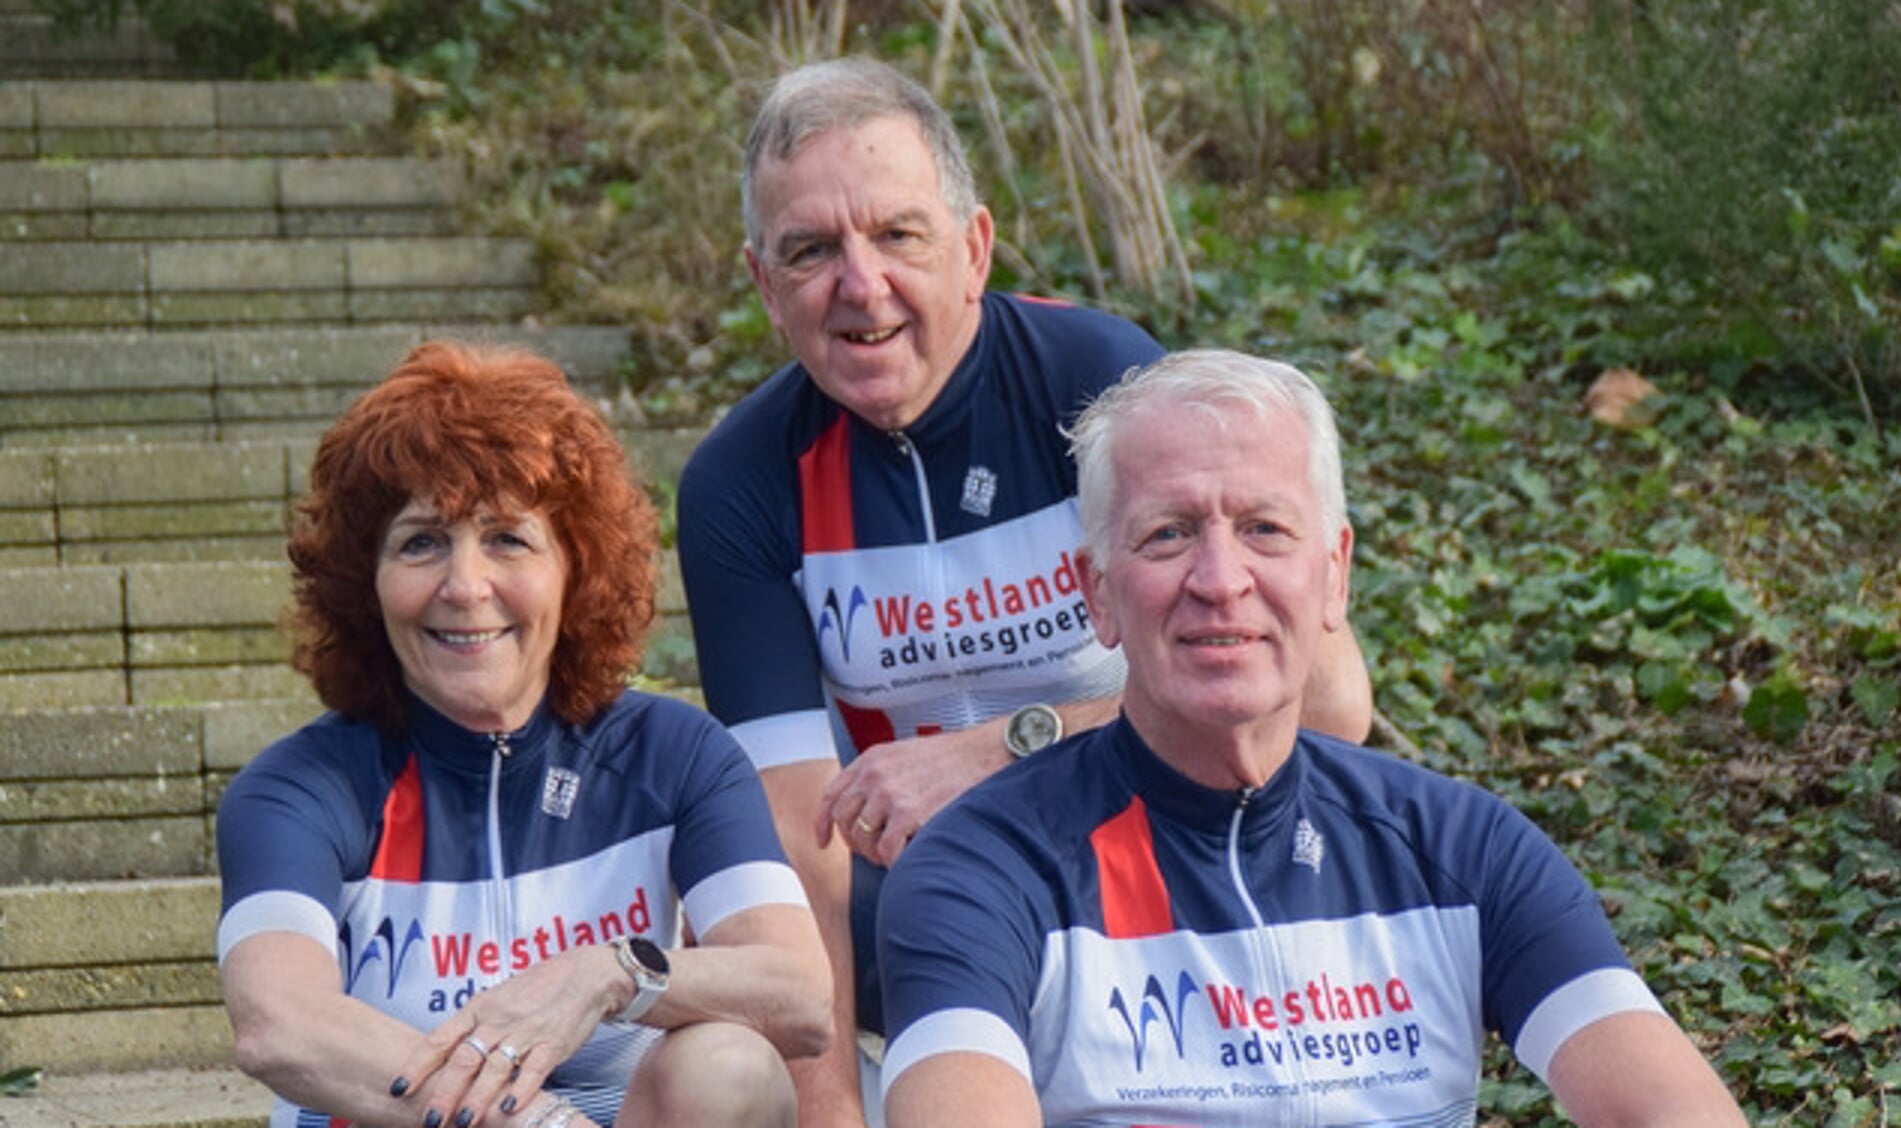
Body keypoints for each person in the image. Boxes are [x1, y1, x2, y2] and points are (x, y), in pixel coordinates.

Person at [676, 59, 1375, 1123]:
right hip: (923, 899)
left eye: (899, 235)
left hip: (1162, 847)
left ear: (974, 248)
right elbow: (793, 845)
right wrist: (829, 1119)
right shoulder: (743, 480)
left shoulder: (1097, 377)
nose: (859, 286)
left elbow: (1327, 705)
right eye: (810, 251)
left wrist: (998, 746)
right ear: (765, 284)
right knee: (722, 954)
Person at [876, 349, 1748, 1126]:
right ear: (1098, 593)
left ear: (1334, 577)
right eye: (1169, 533)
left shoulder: (1464, 850)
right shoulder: (979, 872)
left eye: (1265, 529)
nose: (1221, 581)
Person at [215, 341, 833, 1128]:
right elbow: (279, 1025)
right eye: (421, 542)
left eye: (509, 539)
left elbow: (801, 996)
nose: (466, 587)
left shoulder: (675, 754)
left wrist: (609, 975)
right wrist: (536, 1124)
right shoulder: (299, 788)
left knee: (728, 1068)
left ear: (576, 569)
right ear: (364, 584)